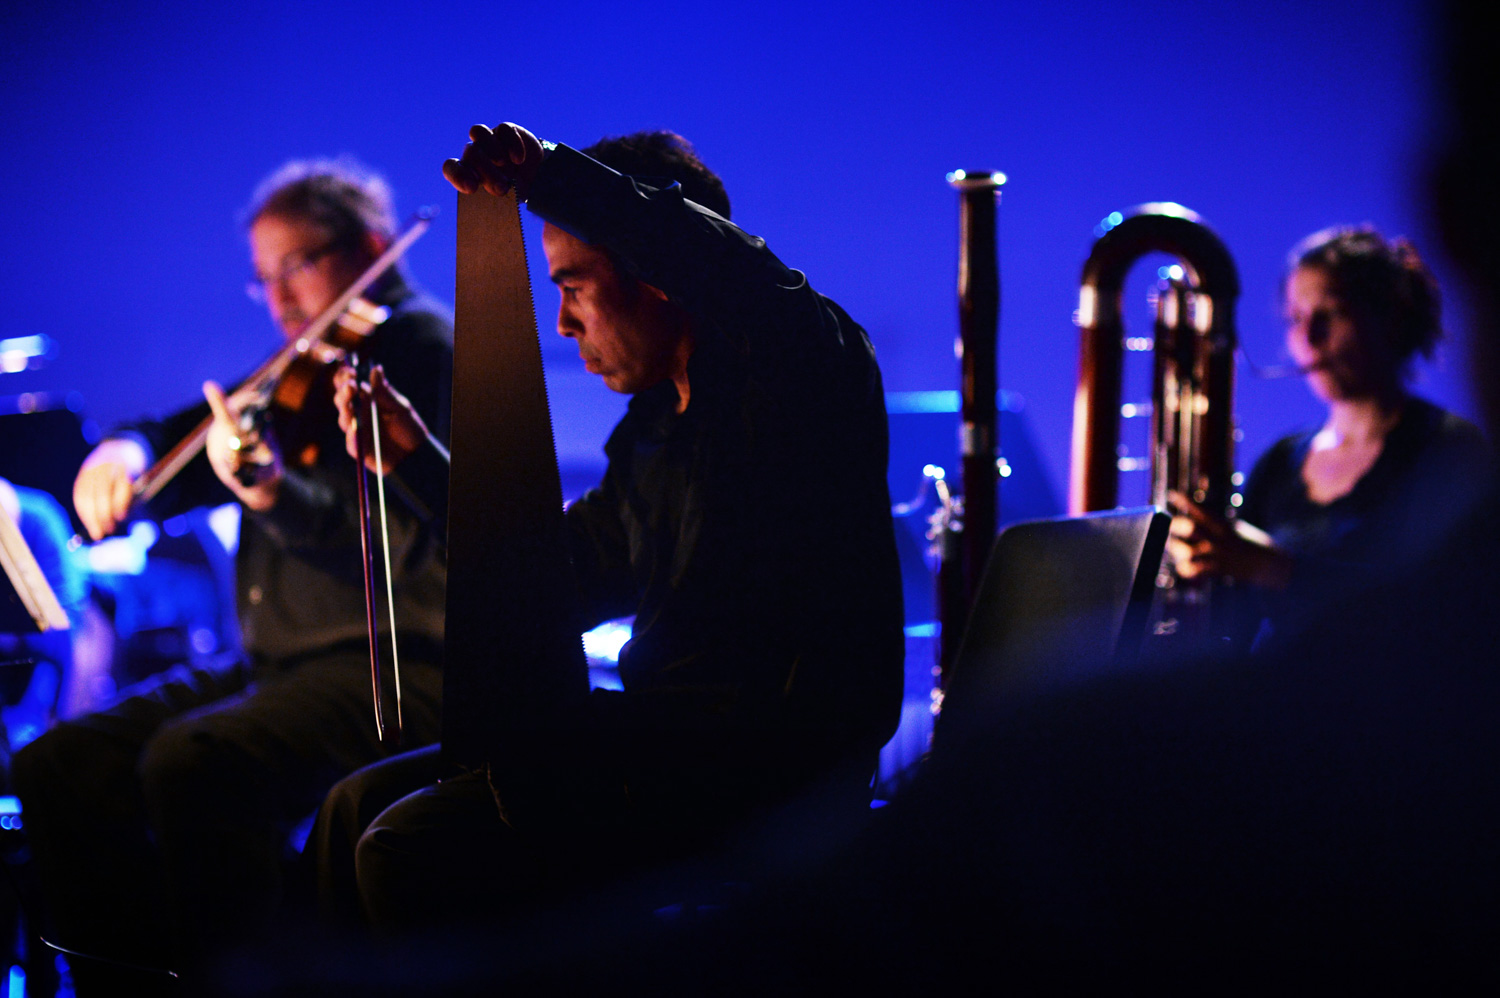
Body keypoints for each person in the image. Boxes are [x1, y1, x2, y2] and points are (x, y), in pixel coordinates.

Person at [315, 124, 904, 934]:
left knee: (407, 848)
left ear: (658, 274)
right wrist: (416, 461)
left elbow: (716, 259)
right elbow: (558, 578)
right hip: (657, 749)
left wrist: (553, 175)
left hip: (767, 767)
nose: (562, 323)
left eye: (575, 286)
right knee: (352, 806)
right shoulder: (653, 428)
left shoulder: (806, 368)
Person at [11, 158, 452, 985]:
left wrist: (275, 492)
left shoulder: (418, 350)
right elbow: (190, 432)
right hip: (279, 665)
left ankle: (245, 981)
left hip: (386, 665)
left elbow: (398, 539)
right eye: (264, 278)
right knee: (58, 763)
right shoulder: (305, 364)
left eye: (298, 265)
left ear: (370, 247)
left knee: (194, 762)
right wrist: (130, 449)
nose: (280, 298)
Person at [1167, 226, 1489, 645]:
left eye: (1330, 314)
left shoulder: (1450, 450)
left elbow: (1445, 615)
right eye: (1295, 319)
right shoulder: (1281, 461)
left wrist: (1274, 568)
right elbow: (1235, 621)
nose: (1308, 339)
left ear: (1389, 317)